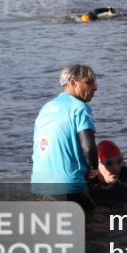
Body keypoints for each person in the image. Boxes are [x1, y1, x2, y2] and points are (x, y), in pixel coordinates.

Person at [31, 64, 100, 206]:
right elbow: (88, 147)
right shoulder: (80, 108)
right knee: (97, 223)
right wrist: (94, 170)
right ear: (73, 83)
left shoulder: (46, 108)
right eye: (89, 82)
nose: (95, 88)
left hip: (39, 186)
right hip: (69, 187)